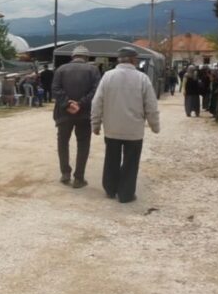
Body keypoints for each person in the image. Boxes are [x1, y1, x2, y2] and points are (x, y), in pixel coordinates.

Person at [91, 47, 160, 203]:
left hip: (112, 129)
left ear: (119, 60)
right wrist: (155, 126)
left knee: (111, 159)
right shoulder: (142, 79)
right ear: (133, 60)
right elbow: (151, 105)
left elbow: (97, 102)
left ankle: (110, 189)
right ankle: (126, 194)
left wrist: (95, 124)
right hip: (134, 131)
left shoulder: (107, 77)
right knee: (131, 162)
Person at [52, 45, 101, 188]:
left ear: (72, 57)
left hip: (63, 113)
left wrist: (67, 104)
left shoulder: (61, 69)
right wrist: (80, 104)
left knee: (62, 143)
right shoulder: (93, 70)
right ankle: (79, 178)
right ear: (86, 57)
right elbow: (96, 91)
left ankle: (65, 173)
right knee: (83, 144)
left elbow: (55, 89)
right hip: (84, 114)